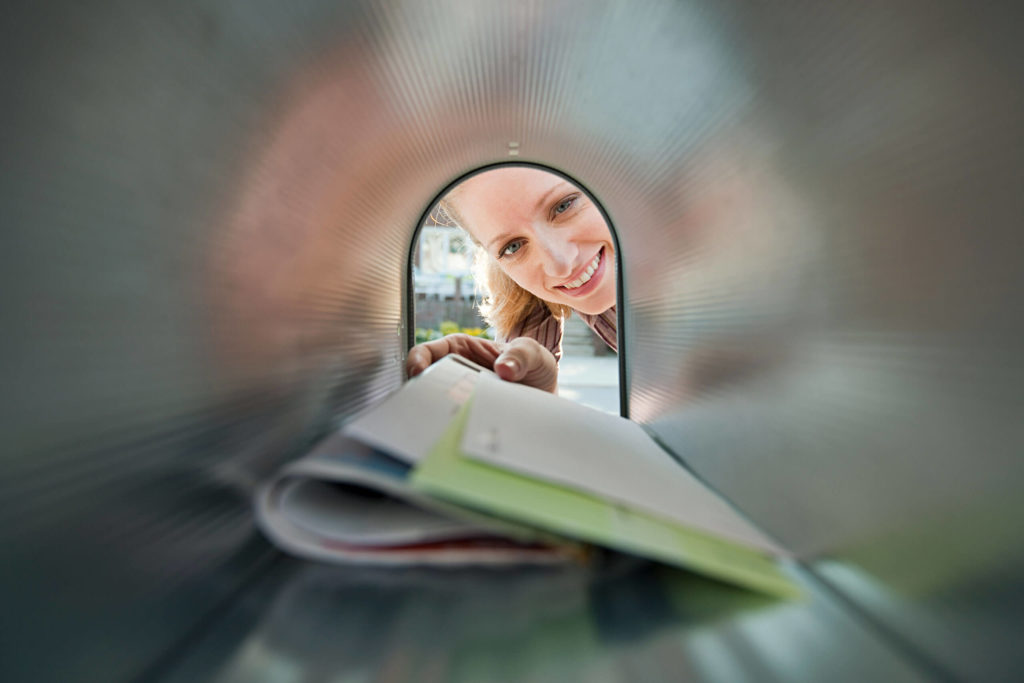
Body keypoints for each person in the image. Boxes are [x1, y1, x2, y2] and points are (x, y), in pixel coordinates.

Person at [407, 166, 617, 392]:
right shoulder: (525, 293)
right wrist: (529, 394)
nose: (561, 266)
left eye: (564, 206)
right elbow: (524, 403)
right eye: (513, 247)